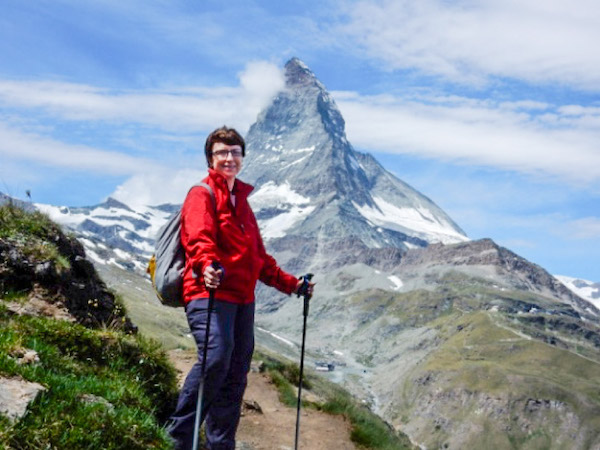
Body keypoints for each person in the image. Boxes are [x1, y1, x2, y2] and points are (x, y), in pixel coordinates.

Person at [168, 126, 314, 450]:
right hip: (210, 293)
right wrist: (207, 266)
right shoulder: (201, 194)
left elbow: (258, 259)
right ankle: (178, 438)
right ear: (211, 158)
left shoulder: (244, 205)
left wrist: (294, 285)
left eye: (235, 152)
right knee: (216, 358)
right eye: (222, 152)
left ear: (243, 158)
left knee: (235, 375)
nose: (229, 158)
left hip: (243, 301)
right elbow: (198, 240)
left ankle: (220, 444)